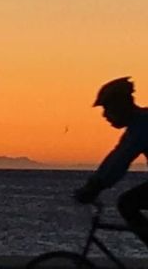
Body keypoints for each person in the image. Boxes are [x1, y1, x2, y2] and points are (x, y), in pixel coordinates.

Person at [74, 76, 148, 245]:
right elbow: (117, 157)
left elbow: (120, 159)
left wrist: (95, 186)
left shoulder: (142, 126)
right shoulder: (141, 123)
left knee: (127, 203)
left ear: (121, 105)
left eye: (108, 108)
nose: (105, 115)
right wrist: (96, 183)